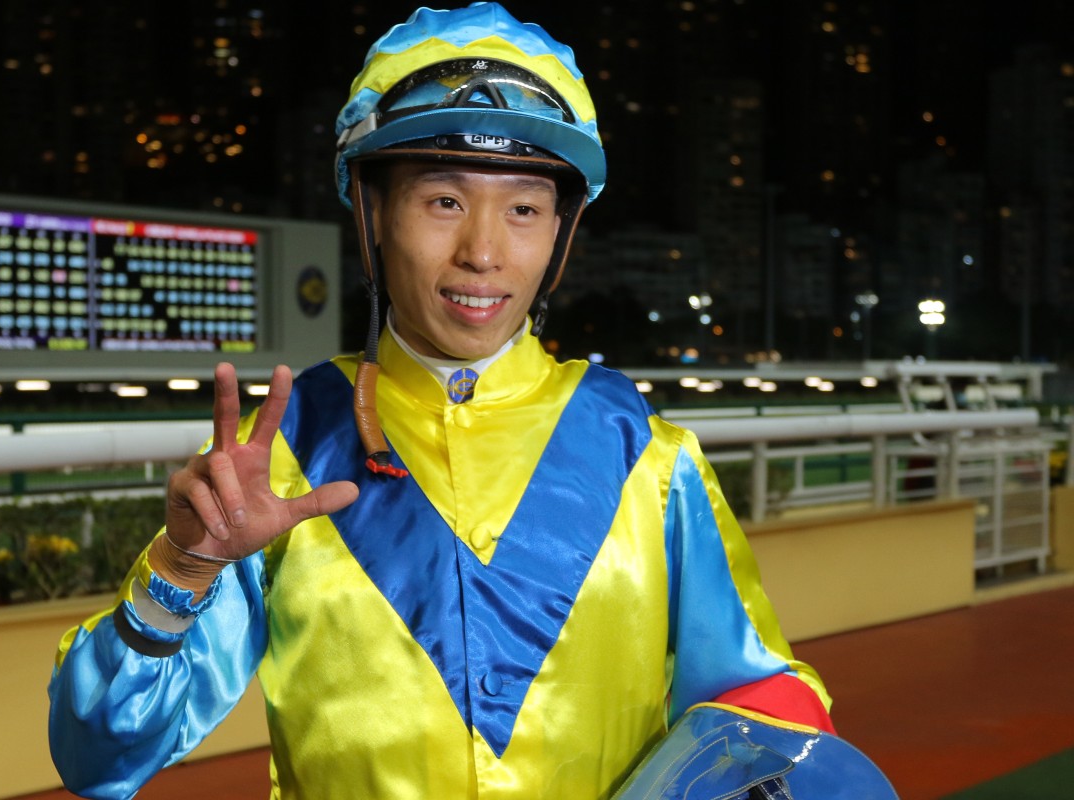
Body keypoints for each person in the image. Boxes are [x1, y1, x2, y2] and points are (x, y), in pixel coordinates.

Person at [48, 4, 895, 798]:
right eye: (444, 200)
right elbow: (97, 757)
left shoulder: (646, 453)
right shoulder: (287, 447)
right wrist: (180, 571)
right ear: (372, 215)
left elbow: (758, 694)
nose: (483, 252)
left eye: (525, 208)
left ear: (561, 237)